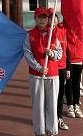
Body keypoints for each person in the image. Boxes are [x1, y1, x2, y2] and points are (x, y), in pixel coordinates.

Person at [23, 7, 63, 136]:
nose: (42, 20)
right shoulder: (30, 35)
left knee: (52, 104)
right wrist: (38, 67)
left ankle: (51, 130)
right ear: (35, 18)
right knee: (38, 105)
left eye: (44, 17)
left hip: (52, 74)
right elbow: (27, 54)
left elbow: (60, 53)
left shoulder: (54, 34)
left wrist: (51, 53)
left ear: (48, 19)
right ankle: (39, 131)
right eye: (39, 17)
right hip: (36, 75)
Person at [64, 22, 83, 119]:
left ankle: (77, 105)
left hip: (79, 60)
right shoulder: (64, 28)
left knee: (77, 84)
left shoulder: (81, 29)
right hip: (69, 60)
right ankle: (70, 106)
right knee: (69, 84)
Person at [54, 15, 69, 131]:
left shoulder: (63, 32)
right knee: (50, 96)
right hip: (50, 69)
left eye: (55, 18)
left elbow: (66, 50)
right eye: (51, 18)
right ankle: (49, 118)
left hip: (62, 67)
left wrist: (68, 68)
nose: (53, 20)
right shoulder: (46, 34)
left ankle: (59, 118)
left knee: (60, 95)